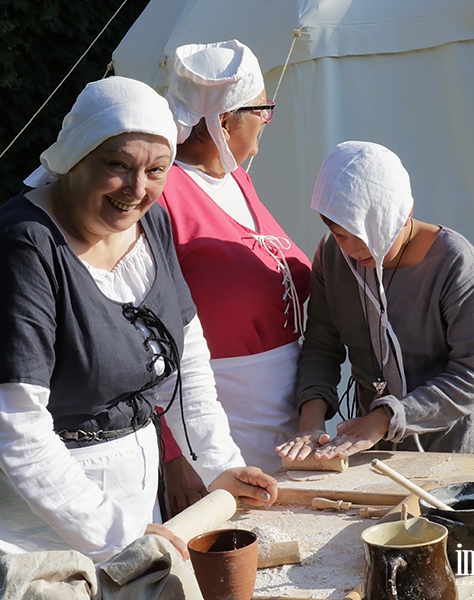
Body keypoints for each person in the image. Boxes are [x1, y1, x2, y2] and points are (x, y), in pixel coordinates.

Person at [0, 76, 277, 600]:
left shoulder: (151, 225)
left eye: (156, 171)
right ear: (76, 156)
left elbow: (187, 361)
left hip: (127, 503)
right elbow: (14, 425)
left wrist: (218, 465)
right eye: (117, 165)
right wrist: (118, 535)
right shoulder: (23, 249)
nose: (137, 188)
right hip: (20, 513)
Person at [278, 141, 474, 462]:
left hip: (459, 448)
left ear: (404, 213)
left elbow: (472, 374)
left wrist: (384, 419)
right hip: (377, 450)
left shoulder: (455, 263)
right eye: (343, 234)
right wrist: (310, 424)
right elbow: (321, 348)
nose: (355, 249)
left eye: (370, 233)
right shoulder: (331, 256)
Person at [153, 40, 311, 499]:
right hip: (217, 423)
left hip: (284, 419)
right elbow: (151, 329)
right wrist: (177, 452)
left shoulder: (236, 178)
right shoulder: (165, 196)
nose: (267, 119)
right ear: (225, 120)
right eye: (262, 108)